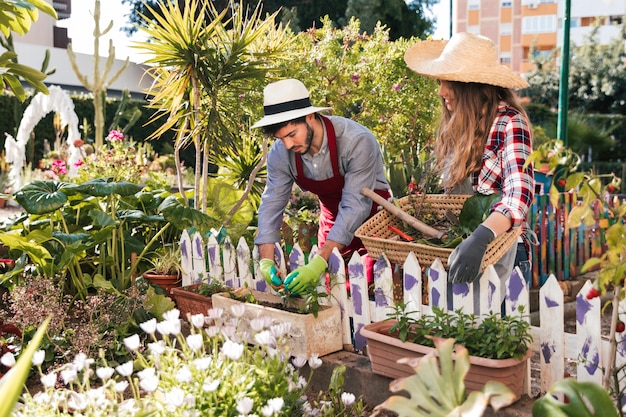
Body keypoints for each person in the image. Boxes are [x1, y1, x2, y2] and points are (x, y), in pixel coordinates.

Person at [403, 32, 535, 288]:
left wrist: (482, 235)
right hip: (463, 253)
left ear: (470, 84)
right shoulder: (458, 126)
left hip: (500, 253)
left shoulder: (509, 122)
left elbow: (519, 193)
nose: (441, 91)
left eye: (447, 81)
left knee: (492, 327)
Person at [252, 78, 391, 295]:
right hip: (332, 220)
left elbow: (356, 205)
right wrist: (266, 260)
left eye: (291, 135)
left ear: (310, 116)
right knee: (333, 292)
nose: (288, 145)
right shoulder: (281, 153)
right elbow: (272, 203)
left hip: (373, 223)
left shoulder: (356, 141)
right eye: (281, 138)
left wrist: (318, 261)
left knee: (370, 291)